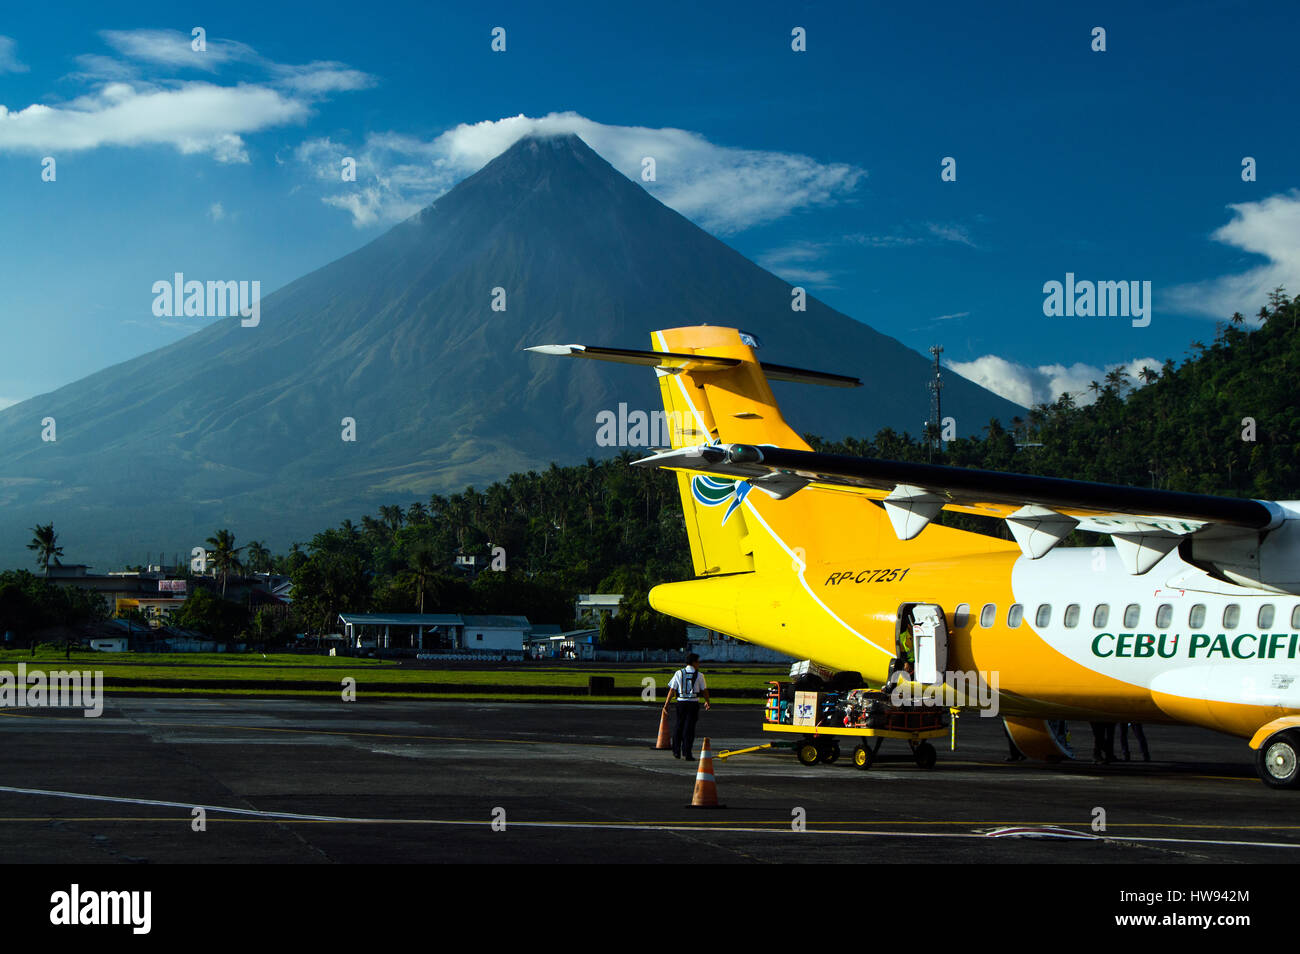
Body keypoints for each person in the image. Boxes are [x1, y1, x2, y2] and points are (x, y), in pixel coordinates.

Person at [662, 653, 711, 760]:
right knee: (689, 729)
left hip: (681, 703)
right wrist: (707, 701)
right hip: (693, 703)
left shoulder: (679, 673)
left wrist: (666, 704)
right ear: (694, 662)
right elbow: (704, 690)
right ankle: (687, 753)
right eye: (698, 662)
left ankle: (676, 751)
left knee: (679, 726)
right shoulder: (700, 675)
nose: (699, 664)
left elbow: (672, 689)